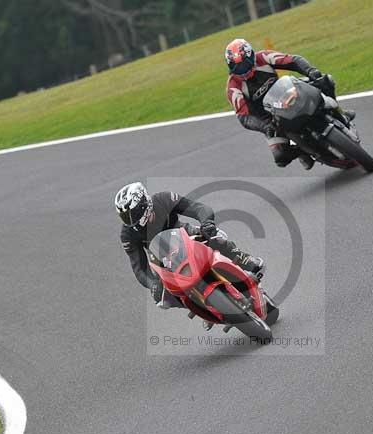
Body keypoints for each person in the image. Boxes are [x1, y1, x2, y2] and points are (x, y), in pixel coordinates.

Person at [116, 182, 264, 314]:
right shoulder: (127, 235)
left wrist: (207, 223)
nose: (131, 220)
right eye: (125, 217)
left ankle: (244, 259)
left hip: (185, 235)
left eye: (133, 213)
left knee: (215, 236)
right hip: (163, 258)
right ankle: (201, 308)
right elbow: (139, 268)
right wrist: (153, 283)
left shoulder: (164, 199)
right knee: (160, 297)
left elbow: (198, 208)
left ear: (145, 204)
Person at [224, 38, 353, 170]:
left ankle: (339, 111)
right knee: (280, 157)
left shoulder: (263, 57)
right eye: (237, 67)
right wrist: (264, 126)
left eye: (244, 65)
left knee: (326, 81)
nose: (242, 70)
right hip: (270, 119)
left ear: (251, 56)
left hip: (289, 93)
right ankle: (302, 151)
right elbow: (244, 117)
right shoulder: (233, 87)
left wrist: (311, 71)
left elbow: (293, 60)